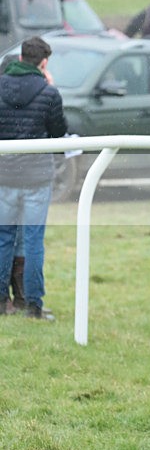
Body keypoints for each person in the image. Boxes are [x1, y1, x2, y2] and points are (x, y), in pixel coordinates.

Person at [0, 36, 68, 320]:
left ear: (19, 59)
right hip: (36, 178)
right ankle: (34, 306)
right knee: (32, 241)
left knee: (3, 238)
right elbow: (58, 132)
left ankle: (3, 302)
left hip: (4, 175)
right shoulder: (48, 92)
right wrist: (49, 86)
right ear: (43, 63)